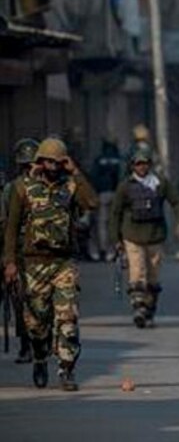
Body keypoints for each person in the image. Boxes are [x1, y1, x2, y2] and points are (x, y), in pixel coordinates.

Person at [2, 138, 98, 390]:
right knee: (36, 322)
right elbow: (11, 227)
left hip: (63, 262)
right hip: (33, 264)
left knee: (68, 318)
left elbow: (92, 203)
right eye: (48, 161)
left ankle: (66, 369)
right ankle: (40, 356)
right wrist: (10, 262)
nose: (53, 167)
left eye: (58, 162)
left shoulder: (71, 186)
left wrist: (76, 172)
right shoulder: (23, 188)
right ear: (40, 161)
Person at [109, 149, 179, 328]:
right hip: (132, 235)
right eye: (138, 164)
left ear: (150, 165)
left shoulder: (160, 183)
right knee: (138, 272)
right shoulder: (125, 186)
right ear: (132, 166)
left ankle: (150, 310)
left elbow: (177, 202)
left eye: (144, 163)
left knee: (153, 276)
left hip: (155, 236)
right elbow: (115, 213)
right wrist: (115, 239)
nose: (141, 167)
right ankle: (139, 308)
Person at [0, 138, 39, 364]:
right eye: (26, 166)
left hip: (43, 252)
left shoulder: (49, 186)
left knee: (40, 300)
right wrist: (8, 259)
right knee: (20, 300)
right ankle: (26, 345)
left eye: (31, 164)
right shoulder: (11, 189)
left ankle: (38, 343)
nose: (29, 170)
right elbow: (7, 225)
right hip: (19, 250)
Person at [89, 139, 123, 261]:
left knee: (102, 222)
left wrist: (96, 192)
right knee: (114, 222)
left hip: (102, 193)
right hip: (116, 194)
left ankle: (102, 249)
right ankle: (112, 250)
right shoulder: (118, 159)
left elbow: (93, 176)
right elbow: (122, 176)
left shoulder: (99, 160)